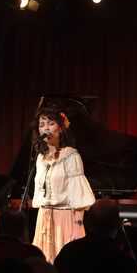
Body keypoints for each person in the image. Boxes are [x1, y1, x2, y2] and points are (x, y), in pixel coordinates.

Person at [30, 106, 95, 263]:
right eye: (41, 124)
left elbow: (78, 193)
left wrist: (78, 225)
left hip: (64, 218)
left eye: (51, 123)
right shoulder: (41, 158)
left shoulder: (70, 155)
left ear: (61, 128)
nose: (46, 128)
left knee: (64, 263)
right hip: (44, 218)